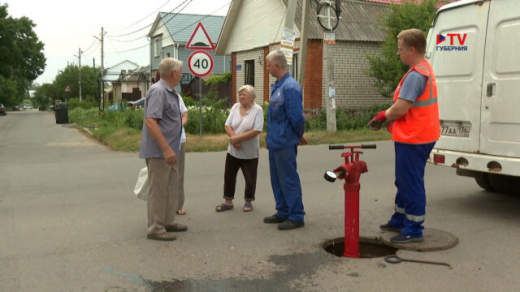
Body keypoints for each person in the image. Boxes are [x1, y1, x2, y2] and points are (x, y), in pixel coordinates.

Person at [368, 28, 440, 243]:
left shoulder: (416, 75)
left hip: (414, 137)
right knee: (403, 180)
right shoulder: (423, 69)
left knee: (410, 183)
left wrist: (382, 116)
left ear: (411, 49)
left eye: (400, 49)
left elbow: (400, 109)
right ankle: (400, 218)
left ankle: (413, 229)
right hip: (419, 134)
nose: (397, 53)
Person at [139, 58, 188, 241]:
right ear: (174, 73)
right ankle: (155, 228)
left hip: (171, 149)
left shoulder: (171, 92)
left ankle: (167, 221)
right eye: (181, 72)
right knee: (158, 190)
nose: (181, 75)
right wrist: (166, 149)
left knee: (171, 187)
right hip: (161, 151)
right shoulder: (159, 91)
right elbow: (151, 122)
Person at [263, 50, 308, 231]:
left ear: (276, 65)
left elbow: (296, 117)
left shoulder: (290, 87)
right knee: (277, 179)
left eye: (268, 65)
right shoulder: (277, 86)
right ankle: (282, 211)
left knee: (288, 179)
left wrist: (298, 135)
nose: (266, 69)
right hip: (275, 141)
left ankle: (296, 215)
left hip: (285, 142)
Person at [216, 85, 264, 213]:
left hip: (249, 152)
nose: (241, 97)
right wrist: (234, 139)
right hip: (233, 149)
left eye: (244, 95)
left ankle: (248, 201)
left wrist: (238, 139)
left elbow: (257, 130)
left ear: (252, 97)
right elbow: (227, 125)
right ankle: (228, 201)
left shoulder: (257, 110)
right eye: (240, 95)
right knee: (229, 176)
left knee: (250, 178)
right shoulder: (235, 107)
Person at [154, 70, 188, 216]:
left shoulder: (176, 95)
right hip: (162, 142)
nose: (180, 76)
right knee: (161, 178)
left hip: (179, 140)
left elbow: (184, 114)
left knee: (177, 175)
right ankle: (162, 211)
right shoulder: (156, 93)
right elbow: (151, 121)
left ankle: (177, 205)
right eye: (178, 74)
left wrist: (178, 127)